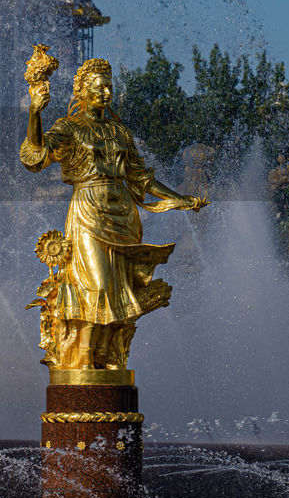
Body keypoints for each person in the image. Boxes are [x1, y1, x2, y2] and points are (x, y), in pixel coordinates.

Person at [21, 56, 207, 369]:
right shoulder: (70, 127)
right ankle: (81, 358)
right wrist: (35, 112)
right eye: (100, 86)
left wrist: (180, 198)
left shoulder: (120, 133)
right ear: (82, 89)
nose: (107, 92)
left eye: (110, 86)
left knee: (120, 291)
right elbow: (36, 155)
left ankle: (105, 357)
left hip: (123, 215)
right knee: (97, 286)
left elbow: (141, 177)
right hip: (88, 212)